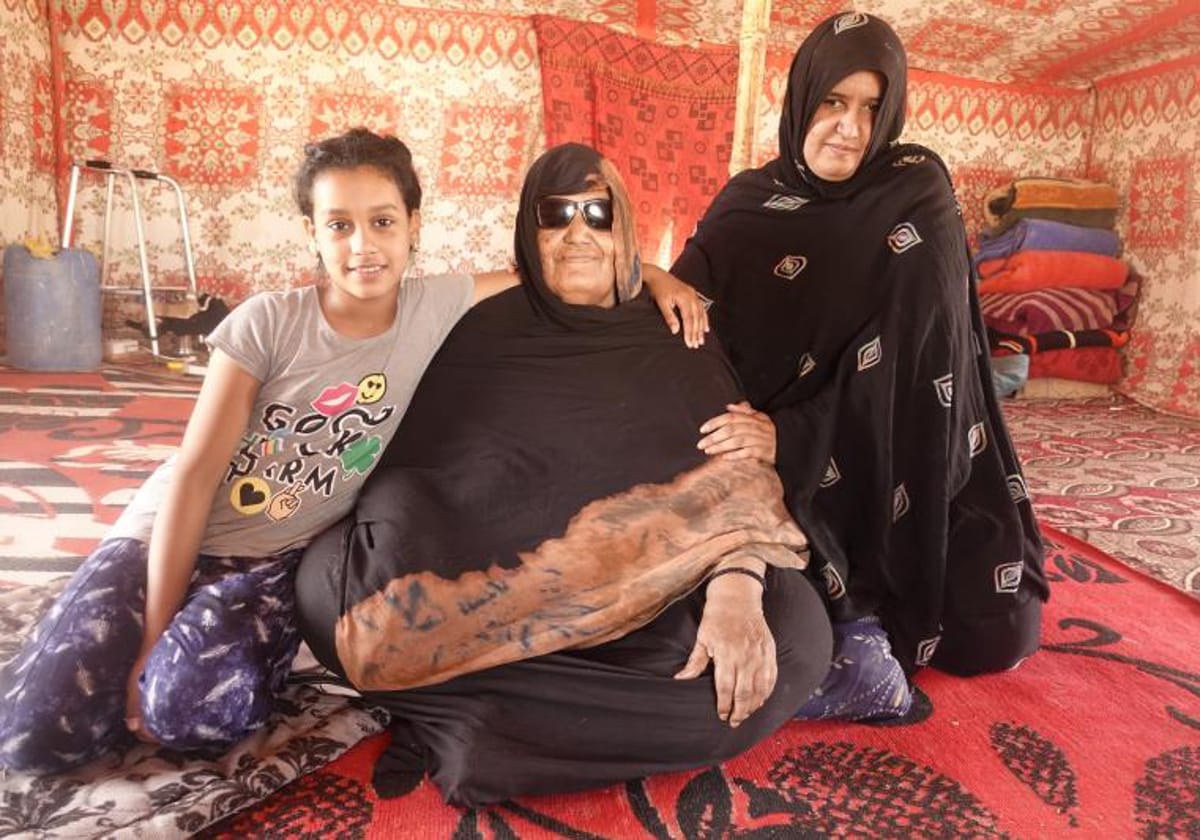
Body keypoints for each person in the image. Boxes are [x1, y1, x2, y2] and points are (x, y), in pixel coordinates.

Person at [0, 128, 707, 776]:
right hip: (166, 533)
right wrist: (153, 633)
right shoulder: (268, 322)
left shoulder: (437, 305)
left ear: (412, 228)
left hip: (271, 565)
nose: (362, 246)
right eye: (339, 225)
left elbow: (552, 268)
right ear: (313, 232)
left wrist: (657, 272)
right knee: (30, 735)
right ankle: (123, 634)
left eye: (382, 222)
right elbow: (192, 478)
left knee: (183, 712)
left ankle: (177, 659)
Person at [294, 142, 833, 807]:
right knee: (331, 595)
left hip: (650, 596)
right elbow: (426, 466)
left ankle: (473, 721)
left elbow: (735, 475)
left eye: (598, 214)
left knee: (795, 642)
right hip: (497, 593)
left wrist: (735, 591)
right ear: (530, 231)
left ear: (623, 228)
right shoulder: (480, 328)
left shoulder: (676, 329)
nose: (579, 233)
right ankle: (512, 726)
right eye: (558, 216)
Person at [672, 12, 1048, 685]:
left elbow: (926, 359)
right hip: (779, 468)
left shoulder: (914, 188)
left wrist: (789, 434)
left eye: (873, 108)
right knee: (749, 602)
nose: (850, 127)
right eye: (834, 102)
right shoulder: (749, 202)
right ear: (801, 101)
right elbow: (677, 304)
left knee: (997, 627)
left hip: (898, 449)